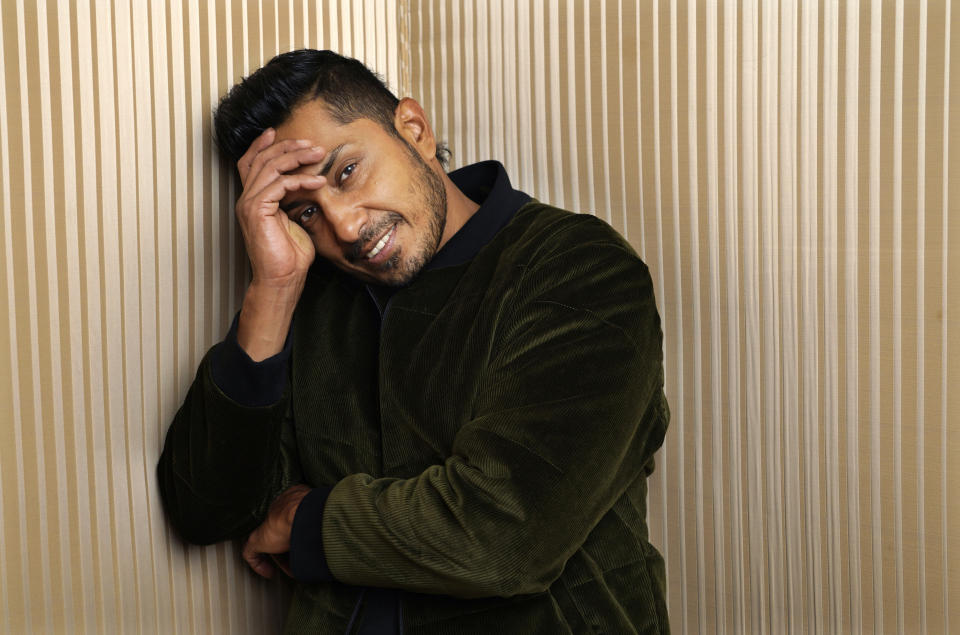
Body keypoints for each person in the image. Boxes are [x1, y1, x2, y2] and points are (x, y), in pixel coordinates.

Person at [157, 48, 670, 634]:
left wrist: (309, 523)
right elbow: (207, 509)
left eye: (346, 172)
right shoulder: (316, 297)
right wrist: (272, 292)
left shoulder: (576, 268)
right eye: (304, 212)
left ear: (414, 129)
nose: (344, 228)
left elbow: (505, 536)